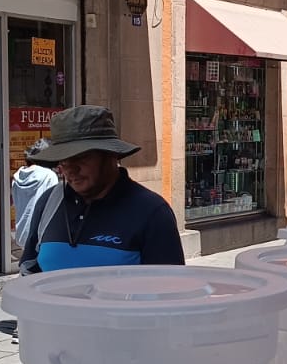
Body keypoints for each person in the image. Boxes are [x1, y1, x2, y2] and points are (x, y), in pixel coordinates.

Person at [20, 105, 184, 271]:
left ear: (111, 155)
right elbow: (29, 269)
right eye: (63, 160)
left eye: (81, 157)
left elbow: (169, 288)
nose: (70, 170)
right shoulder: (49, 203)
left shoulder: (151, 212)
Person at [11, 139, 60, 250]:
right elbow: (53, 207)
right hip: (42, 235)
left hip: (22, 234)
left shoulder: (17, 176)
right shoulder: (49, 175)